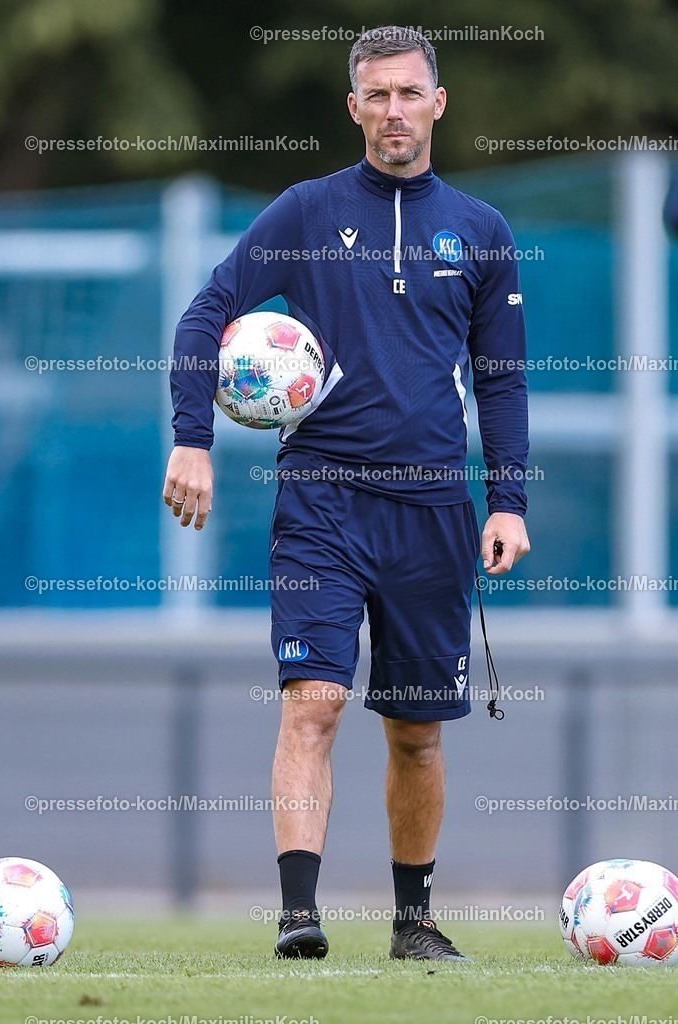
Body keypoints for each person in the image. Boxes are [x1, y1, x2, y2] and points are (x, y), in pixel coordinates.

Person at [163, 25, 530, 961]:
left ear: (437, 103)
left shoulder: (481, 231)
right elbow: (210, 310)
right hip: (321, 500)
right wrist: (192, 440)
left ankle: (413, 925)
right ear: (352, 106)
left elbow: (502, 380)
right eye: (376, 94)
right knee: (313, 699)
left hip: (435, 512)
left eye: (409, 93)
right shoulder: (305, 212)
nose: (393, 111)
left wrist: (508, 502)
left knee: (414, 733)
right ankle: (298, 914)